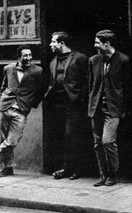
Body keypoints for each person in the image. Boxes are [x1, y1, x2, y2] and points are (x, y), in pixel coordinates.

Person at [0, 45, 43, 178]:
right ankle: (8, 168)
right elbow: (3, 86)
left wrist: (30, 104)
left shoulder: (37, 71)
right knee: (4, 138)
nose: (28, 58)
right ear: (19, 57)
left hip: (21, 109)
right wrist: (3, 99)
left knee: (13, 139)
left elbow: (40, 91)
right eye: (25, 55)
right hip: (5, 107)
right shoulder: (8, 68)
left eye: (30, 55)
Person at [44, 31, 88, 180]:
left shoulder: (80, 58)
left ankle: (77, 169)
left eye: (53, 42)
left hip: (74, 105)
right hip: (57, 105)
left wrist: (80, 99)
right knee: (61, 137)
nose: (50, 44)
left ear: (62, 43)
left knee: (73, 137)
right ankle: (65, 168)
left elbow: (87, 81)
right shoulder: (53, 61)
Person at [88, 29, 130, 186]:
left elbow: (127, 88)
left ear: (107, 43)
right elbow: (90, 85)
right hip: (96, 108)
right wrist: (91, 105)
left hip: (113, 109)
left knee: (108, 141)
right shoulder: (93, 60)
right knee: (98, 143)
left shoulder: (123, 60)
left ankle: (113, 174)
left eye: (97, 43)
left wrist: (124, 110)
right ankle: (103, 174)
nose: (95, 45)